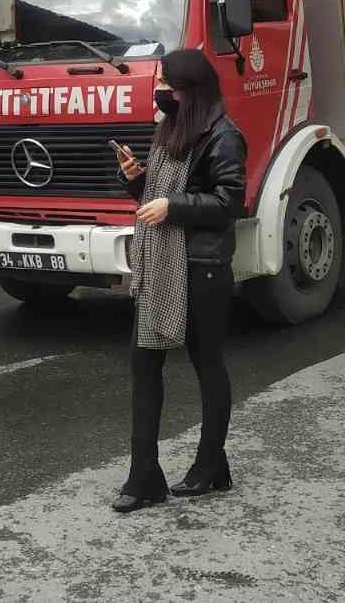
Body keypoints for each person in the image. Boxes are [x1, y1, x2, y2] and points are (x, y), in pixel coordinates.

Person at [111, 49, 246, 513]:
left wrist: (175, 206)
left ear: (191, 88)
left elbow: (230, 202)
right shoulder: (169, 129)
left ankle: (211, 462)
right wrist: (137, 182)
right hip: (160, 265)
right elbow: (159, 195)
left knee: (207, 362)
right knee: (143, 363)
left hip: (201, 267)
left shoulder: (223, 135)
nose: (161, 90)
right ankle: (143, 472)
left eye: (168, 82)